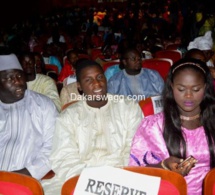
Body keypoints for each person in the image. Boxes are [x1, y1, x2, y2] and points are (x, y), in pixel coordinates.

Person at [42, 59, 143, 194]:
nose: (97, 83)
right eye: (88, 80)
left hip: (122, 175)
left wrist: (117, 177)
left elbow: (135, 148)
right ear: (79, 87)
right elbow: (63, 156)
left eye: (99, 77)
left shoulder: (128, 107)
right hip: (79, 177)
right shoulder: (68, 116)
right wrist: (89, 181)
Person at [129, 58, 215, 195]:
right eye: (181, 89)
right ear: (172, 87)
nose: (188, 96)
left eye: (196, 89)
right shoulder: (153, 126)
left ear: (205, 88)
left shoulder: (212, 120)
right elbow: (137, 170)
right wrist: (164, 165)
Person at [0, 53, 58, 180]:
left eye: (20, 76)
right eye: (10, 78)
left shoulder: (43, 104)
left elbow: (53, 147)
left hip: (31, 180)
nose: (18, 81)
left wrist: (19, 176)